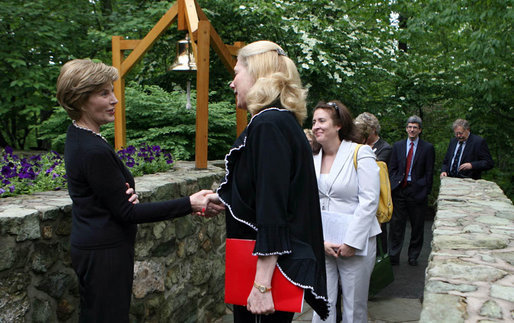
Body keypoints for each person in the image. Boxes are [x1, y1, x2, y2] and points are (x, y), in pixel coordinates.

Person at [56, 59, 223, 322]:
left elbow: (109, 199)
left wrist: (122, 200)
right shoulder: (91, 149)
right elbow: (127, 212)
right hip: (104, 254)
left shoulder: (80, 136)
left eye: (112, 91)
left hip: (96, 247)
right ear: (79, 99)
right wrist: (189, 203)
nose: (114, 100)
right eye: (104, 93)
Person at [207, 41, 329, 322]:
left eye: (236, 72)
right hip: (269, 267)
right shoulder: (281, 122)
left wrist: (262, 286)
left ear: (257, 73)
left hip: (266, 274)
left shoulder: (268, 124)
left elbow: (273, 209)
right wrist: (223, 198)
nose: (231, 82)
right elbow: (268, 191)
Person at [311, 101, 381, 323]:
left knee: (354, 307)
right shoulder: (311, 157)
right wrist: (318, 241)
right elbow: (307, 203)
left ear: (339, 125)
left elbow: (369, 201)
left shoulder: (361, 153)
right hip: (323, 243)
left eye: (322, 121)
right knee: (322, 303)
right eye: (313, 122)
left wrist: (352, 242)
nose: (316, 126)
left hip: (356, 243)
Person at [388, 115, 435, 266]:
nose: (412, 130)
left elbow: (429, 171)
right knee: (396, 226)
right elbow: (392, 168)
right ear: (406, 128)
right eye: (409, 127)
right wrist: (393, 184)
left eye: (415, 127)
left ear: (420, 130)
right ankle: (394, 255)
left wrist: (425, 189)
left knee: (417, 226)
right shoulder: (398, 146)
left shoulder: (427, 148)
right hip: (400, 190)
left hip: (417, 191)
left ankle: (413, 256)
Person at [354, 112, 392, 254]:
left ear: (373, 130)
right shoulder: (358, 145)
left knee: (379, 235)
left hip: (377, 198)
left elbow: (374, 169)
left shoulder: (385, 148)